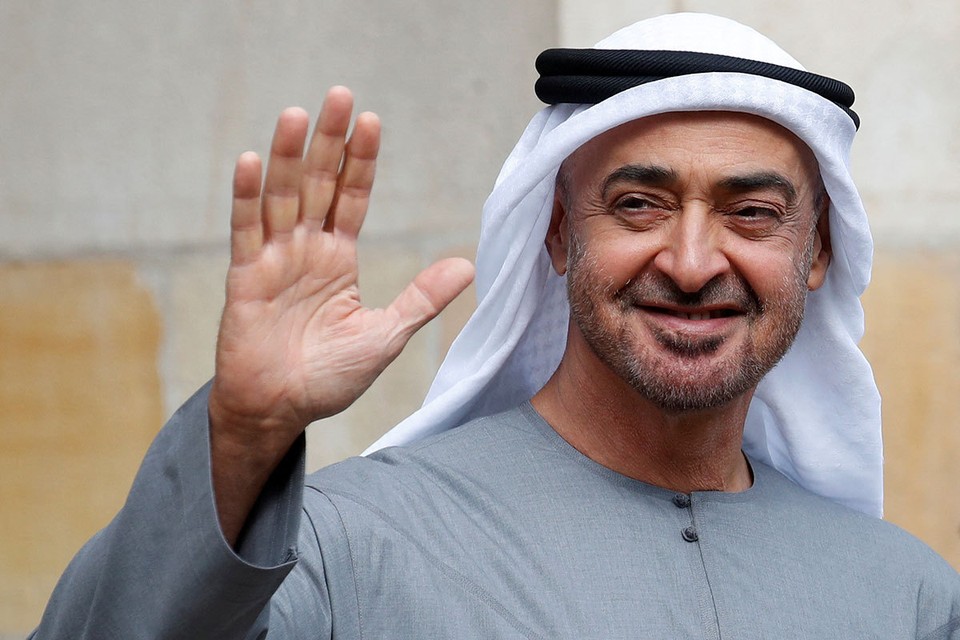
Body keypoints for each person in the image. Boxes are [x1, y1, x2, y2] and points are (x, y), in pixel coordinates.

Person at [31, 12, 960, 640]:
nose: (689, 261)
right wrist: (243, 433)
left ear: (818, 252)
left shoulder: (906, 598)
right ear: (556, 232)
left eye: (751, 214)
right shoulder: (346, 548)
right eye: (638, 205)